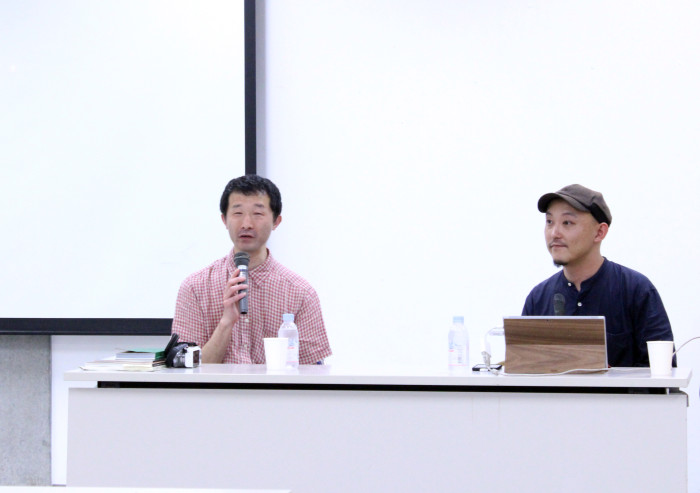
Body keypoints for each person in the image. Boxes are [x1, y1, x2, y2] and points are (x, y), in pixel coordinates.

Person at [172, 175, 332, 364]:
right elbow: (187, 371)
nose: (246, 224)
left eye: (257, 214)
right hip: (217, 386)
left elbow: (312, 373)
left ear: (276, 221)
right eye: (238, 213)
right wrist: (226, 323)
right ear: (224, 220)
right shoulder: (194, 287)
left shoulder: (300, 293)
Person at [522, 184, 674, 367]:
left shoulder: (636, 290)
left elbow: (663, 372)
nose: (554, 233)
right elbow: (523, 372)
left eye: (567, 223)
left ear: (600, 232)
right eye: (549, 222)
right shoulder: (538, 298)